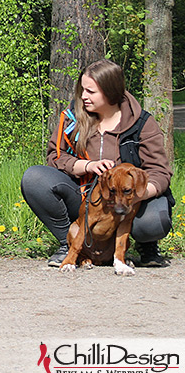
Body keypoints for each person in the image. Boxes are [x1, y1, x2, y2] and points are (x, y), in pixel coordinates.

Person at [22, 59, 173, 267]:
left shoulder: (141, 123)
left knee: (154, 221)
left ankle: (146, 247)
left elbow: (160, 172)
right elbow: (54, 157)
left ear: (110, 91)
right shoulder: (72, 118)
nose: (83, 96)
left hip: (129, 203)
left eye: (91, 91)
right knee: (34, 178)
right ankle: (70, 244)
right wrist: (87, 165)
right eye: (82, 90)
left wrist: (135, 195)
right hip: (86, 199)